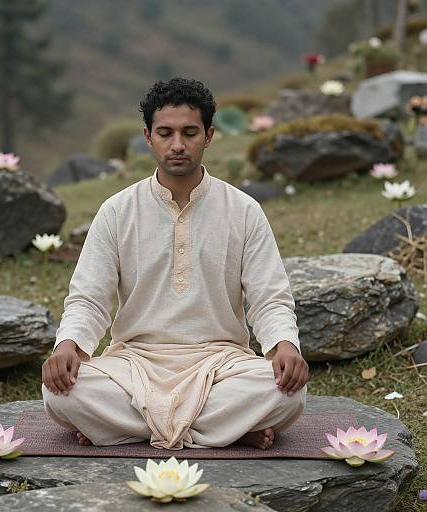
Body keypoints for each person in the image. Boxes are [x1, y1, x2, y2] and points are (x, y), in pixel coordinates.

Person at [42, 77, 308, 451]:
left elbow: (270, 298)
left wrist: (285, 345)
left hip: (222, 363)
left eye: (190, 132)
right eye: (165, 133)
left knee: (287, 393)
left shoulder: (244, 210)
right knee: (60, 393)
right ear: (148, 137)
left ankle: (124, 430)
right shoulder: (117, 211)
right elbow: (89, 298)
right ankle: (225, 432)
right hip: (134, 363)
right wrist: (68, 345)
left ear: (209, 135)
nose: (178, 145)